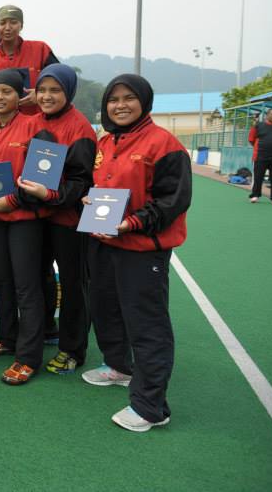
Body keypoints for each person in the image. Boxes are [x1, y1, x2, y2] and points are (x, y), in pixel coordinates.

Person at [80, 74, 191, 432]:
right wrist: (91, 202)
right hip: (104, 243)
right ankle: (119, 367)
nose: (120, 105)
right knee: (106, 310)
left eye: (129, 98)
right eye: (113, 99)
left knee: (147, 326)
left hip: (142, 249)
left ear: (144, 101)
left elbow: (173, 201)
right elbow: (104, 186)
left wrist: (131, 223)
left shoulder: (164, 144)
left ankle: (151, 407)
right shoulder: (106, 141)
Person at [16, 63, 97, 375]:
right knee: (41, 277)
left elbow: (81, 182)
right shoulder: (33, 121)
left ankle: (73, 349)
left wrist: (50, 195)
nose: (47, 97)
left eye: (55, 91)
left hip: (69, 221)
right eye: (42, 90)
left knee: (74, 284)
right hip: (38, 217)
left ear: (69, 92)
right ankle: (48, 329)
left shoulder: (80, 128)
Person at [0, 68, 51, 385]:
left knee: (26, 287)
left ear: (20, 96)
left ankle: (29, 357)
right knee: (3, 282)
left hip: (25, 221)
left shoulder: (37, 128)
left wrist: (15, 200)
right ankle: (7, 338)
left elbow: (44, 177)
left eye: (6, 91)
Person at [0, 5, 59, 115]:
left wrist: (39, 94)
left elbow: (59, 80)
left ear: (21, 25)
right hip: (7, 121)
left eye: (13, 22)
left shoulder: (40, 49)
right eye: (2, 23)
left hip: (41, 117)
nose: (8, 27)